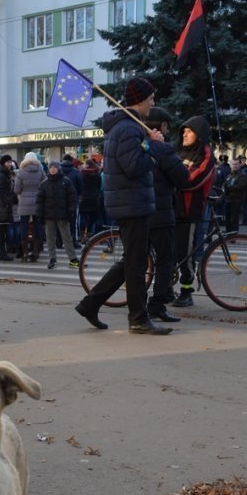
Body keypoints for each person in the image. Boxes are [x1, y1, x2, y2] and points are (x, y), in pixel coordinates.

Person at [75, 77, 171, 334]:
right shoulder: (128, 128)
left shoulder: (128, 127)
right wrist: (153, 145)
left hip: (131, 202)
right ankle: (138, 319)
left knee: (132, 260)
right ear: (140, 100)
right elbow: (135, 166)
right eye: (151, 98)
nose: (153, 103)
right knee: (136, 265)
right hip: (132, 203)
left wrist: (148, 142)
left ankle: (90, 304)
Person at [144, 107, 190, 322]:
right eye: (167, 126)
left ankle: (96, 300)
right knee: (165, 261)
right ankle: (157, 304)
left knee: (134, 261)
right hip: (161, 212)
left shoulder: (137, 145)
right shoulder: (162, 148)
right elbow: (182, 178)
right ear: (162, 126)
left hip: (139, 212)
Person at [172, 116, 216, 307]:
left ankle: (186, 291)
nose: (184, 134)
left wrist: (174, 179)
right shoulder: (177, 150)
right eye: (183, 131)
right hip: (171, 208)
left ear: (199, 134)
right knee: (170, 252)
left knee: (185, 253)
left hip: (189, 211)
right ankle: (167, 289)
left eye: (189, 131)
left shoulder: (206, 154)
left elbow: (192, 181)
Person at [35, 160, 78, 269]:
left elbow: (72, 198)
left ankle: (73, 259)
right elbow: (39, 200)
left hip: (63, 215)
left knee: (67, 237)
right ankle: (52, 259)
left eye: (55, 167)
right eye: (51, 167)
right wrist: (39, 213)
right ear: (48, 169)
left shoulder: (66, 181)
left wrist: (71, 211)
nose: (53, 169)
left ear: (58, 168)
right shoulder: (44, 184)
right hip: (49, 215)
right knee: (50, 238)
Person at [14, 151, 44, 261]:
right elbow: (44, 187)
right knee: (38, 227)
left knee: (23, 227)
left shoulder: (21, 172)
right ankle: (35, 253)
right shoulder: (40, 171)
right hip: (37, 202)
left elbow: (17, 189)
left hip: (24, 203)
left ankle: (25, 253)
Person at [0, 154, 16, 262]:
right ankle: (2, 253)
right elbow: (0, 191)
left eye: (10, 162)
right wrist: (8, 202)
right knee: (1, 230)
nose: (10, 164)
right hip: (2, 206)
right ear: (3, 163)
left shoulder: (6, 173)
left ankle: (2, 253)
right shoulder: (2, 175)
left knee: (3, 230)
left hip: (4, 205)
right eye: (8, 162)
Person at [222, 158, 247, 234]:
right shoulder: (230, 175)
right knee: (227, 218)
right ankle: (229, 235)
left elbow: (240, 186)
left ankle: (233, 235)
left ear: (239, 164)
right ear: (230, 165)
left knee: (234, 219)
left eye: (236, 164)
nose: (234, 166)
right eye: (233, 164)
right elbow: (225, 184)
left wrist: (229, 187)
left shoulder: (243, 175)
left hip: (236, 200)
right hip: (228, 199)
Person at [78, 158, 102, 239]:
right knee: (93, 217)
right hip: (94, 199)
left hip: (84, 198)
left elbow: (80, 186)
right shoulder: (97, 174)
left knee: (83, 217)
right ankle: (88, 232)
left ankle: (82, 235)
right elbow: (99, 186)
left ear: (87, 165)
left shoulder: (82, 174)